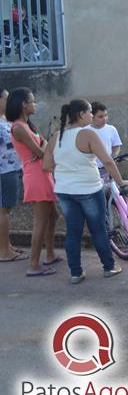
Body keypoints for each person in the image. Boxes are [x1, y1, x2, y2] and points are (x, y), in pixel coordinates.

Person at [43, 100, 128, 284]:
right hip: (89, 188)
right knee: (98, 228)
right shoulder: (88, 134)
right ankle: (109, 267)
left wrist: (67, 170)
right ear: (81, 114)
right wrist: (121, 182)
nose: (92, 116)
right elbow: (107, 161)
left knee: (73, 231)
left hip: (65, 191)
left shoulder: (55, 137)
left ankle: (76, 273)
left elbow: (47, 165)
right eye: (90, 112)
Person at [7, 88, 59, 276]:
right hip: (36, 174)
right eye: (32, 101)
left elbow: (44, 144)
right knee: (41, 221)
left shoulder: (27, 125)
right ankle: (34, 265)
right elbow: (40, 152)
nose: (35, 104)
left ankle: (50, 254)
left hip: (42, 173)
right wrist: (46, 144)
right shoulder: (19, 127)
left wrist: (46, 144)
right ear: (23, 104)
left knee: (53, 216)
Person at [0, 89, 25, 262]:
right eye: (6, 98)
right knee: (3, 211)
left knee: (6, 210)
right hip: (4, 171)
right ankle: (3, 252)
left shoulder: (4, 120)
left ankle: (6, 245)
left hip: (12, 169)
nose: (9, 102)